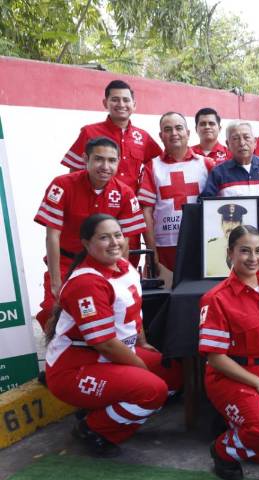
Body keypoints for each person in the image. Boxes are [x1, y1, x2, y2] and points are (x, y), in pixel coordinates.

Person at [44, 213, 181, 457]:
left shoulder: (125, 267)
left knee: (175, 371)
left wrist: (143, 343)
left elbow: (132, 314)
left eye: (118, 235)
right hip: (76, 367)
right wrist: (140, 366)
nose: (114, 242)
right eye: (104, 238)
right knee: (153, 390)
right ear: (86, 244)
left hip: (114, 355)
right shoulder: (87, 283)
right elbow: (105, 344)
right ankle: (94, 428)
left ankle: (103, 409)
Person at [198, 225, 259, 480]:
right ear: (230, 253)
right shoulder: (216, 298)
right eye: (245, 251)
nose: (253, 258)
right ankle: (221, 450)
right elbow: (214, 357)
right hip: (233, 377)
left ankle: (234, 422)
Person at [34, 137, 146, 328]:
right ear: (86, 159)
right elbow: (52, 235)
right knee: (52, 311)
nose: (105, 166)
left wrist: (122, 276)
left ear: (118, 161)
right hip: (65, 263)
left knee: (112, 310)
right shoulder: (62, 185)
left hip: (104, 265)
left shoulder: (125, 193)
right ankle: (55, 356)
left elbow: (124, 242)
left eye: (112, 160)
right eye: (99, 159)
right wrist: (55, 280)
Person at [60, 80, 161, 263]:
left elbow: (160, 166)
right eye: (115, 99)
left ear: (134, 105)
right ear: (105, 103)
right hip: (94, 213)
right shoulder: (89, 132)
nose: (121, 104)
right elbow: (73, 175)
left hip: (128, 214)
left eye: (125, 100)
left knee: (126, 267)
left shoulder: (143, 137)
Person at [138, 112, 214, 273]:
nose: (174, 133)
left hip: (201, 243)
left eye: (179, 128)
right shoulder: (152, 167)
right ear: (161, 135)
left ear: (188, 133)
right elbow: (146, 211)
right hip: (165, 247)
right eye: (168, 129)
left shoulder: (207, 164)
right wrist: (152, 253)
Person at [199, 122, 259, 199]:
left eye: (246, 137)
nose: (242, 143)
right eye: (235, 138)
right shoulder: (218, 173)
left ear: (255, 142)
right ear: (228, 144)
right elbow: (205, 205)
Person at [206, 204, 247, 277]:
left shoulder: (249, 247)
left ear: (241, 224)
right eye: (227, 222)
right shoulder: (209, 248)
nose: (230, 226)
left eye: (235, 222)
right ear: (221, 224)